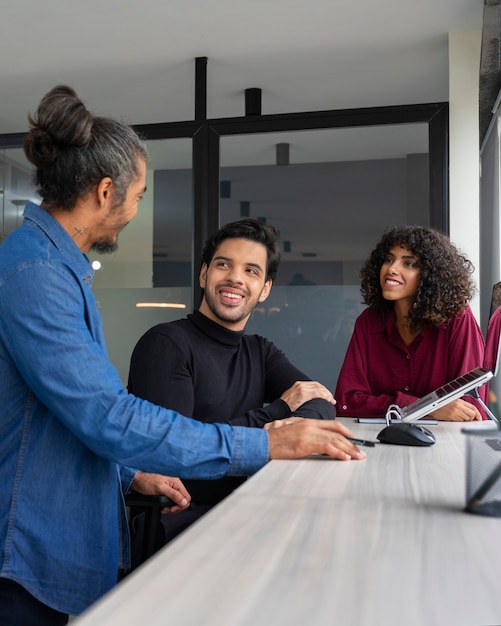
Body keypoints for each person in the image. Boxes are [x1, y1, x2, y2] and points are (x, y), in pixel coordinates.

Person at [0, 85, 366, 625]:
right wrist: (264, 440)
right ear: (106, 191)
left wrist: (128, 475)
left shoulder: (57, 268)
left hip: (65, 549)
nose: (136, 209)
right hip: (30, 550)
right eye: (139, 194)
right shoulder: (36, 274)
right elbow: (108, 416)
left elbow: (64, 415)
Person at [128, 219, 337, 545]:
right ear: (203, 274)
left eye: (251, 271)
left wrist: (288, 431)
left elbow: (321, 402)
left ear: (265, 288)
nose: (235, 278)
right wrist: (279, 415)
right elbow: (176, 459)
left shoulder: (260, 351)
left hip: (248, 507)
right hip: (184, 523)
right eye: (224, 265)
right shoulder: (166, 344)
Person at [335, 225, 486, 421]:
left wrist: (392, 406)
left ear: (430, 275)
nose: (391, 269)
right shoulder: (368, 322)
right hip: (381, 439)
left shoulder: (457, 319)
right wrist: (424, 407)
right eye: (389, 260)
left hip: (447, 442)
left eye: (408, 264)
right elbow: (347, 401)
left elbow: (469, 407)